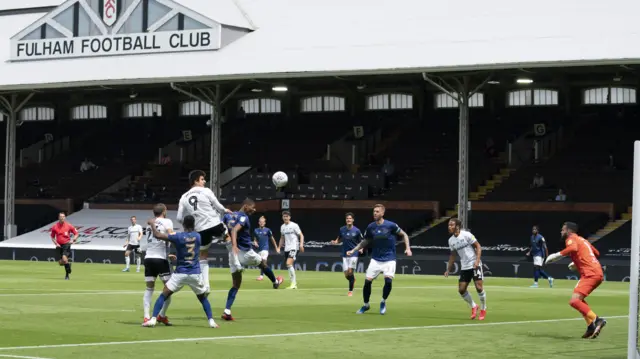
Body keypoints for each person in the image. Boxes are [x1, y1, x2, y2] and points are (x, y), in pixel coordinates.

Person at [143, 215, 219, 328]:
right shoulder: (198, 236)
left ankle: (153, 319)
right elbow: (189, 250)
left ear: (183, 225)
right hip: (195, 273)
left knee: (164, 294)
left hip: (180, 273)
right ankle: (211, 321)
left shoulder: (178, 236)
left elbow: (157, 235)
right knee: (203, 298)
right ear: (194, 225)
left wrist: (152, 224)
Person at [223, 199, 283, 321]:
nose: (254, 209)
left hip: (232, 254)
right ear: (245, 206)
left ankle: (227, 311)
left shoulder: (228, 216)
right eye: (252, 207)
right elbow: (234, 230)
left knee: (236, 284)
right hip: (245, 252)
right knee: (262, 263)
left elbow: (223, 229)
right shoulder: (244, 217)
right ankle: (275, 282)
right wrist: (234, 244)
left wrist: (230, 244)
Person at [545, 222, 606, 339]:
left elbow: (572, 248)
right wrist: (577, 261)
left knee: (574, 301)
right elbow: (596, 253)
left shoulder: (570, 238)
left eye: (563, 230)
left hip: (590, 274)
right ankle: (590, 326)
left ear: (569, 231)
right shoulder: (583, 240)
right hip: (595, 272)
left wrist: (556, 255)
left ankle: (597, 320)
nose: (561, 232)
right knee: (579, 300)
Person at [347, 204, 411, 315]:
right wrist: (354, 250)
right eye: (374, 211)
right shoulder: (371, 227)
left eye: (377, 211)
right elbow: (365, 241)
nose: (375, 213)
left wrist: (408, 248)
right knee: (367, 282)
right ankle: (366, 305)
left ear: (382, 213)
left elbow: (404, 234)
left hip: (389, 258)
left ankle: (383, 301)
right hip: (376, 259)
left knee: (388, 281)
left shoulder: (390, 225)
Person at [177, 170, 233, 294]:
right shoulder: (206, 191)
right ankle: (235, 265)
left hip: (199, 228)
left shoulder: (184, 196)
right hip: (213, 223)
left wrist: (188, 226)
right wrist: (225, 210)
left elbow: (179, 218)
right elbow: (217, 205)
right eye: (202, 179)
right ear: (196, 181)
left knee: (203, 256)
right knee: (228, 237)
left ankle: (206, 286)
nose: (204, 181)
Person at [444, 218, 487, 321]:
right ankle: (473, 306)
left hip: (474, 264)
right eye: (449, 225)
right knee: (461, 290)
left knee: (479, 287)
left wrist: (477, 261)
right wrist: (448, 269)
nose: (449, 227)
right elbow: (453, 255)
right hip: (465, 266)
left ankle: (483, 308)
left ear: (457, 226)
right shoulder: (451, 241)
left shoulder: (466, 235)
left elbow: (478, 246)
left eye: (451, 225)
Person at [141, 203, 174, 326]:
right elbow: (171, 236)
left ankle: (146, 316)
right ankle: (162, 315)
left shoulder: (149, 224)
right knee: (169, 289)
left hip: (149, 257)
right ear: (164, 211)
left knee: (149, 288)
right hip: (161, 259)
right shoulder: (167, 222)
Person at [331, 212, 363, 296]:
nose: (348, 220)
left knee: (350, 271)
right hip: (344, 254)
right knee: (346, 274)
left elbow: (361, 241)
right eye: (347, 218)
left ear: (353, 220)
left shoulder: (357, 230)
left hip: (354, 253)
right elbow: (339, 239)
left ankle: (350, 291)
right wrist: (335, 242)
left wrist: (361, 248)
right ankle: (353, 280)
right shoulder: (342, 229)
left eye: (350, 218)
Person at [279, 211, 305, 289]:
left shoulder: (294, 225)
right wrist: (278, 247)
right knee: (289, 265)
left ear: (289, 217)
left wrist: (301, 245)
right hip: (287, 248)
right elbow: (282, 238)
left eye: (287, 216)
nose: (285, 218)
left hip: (294, 247)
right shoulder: (282, 227)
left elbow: (301, 235)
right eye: (284, 216)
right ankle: (293, 284)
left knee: (288, 263)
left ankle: (293, 284)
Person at [49, 212, 78, 280]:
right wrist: (56, 243)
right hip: (59, 246)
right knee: (61, 262)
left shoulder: (69, 225)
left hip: (66, 244)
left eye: (63, 216)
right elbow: (52, 237)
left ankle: (67, 275)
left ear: (65, 217)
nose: (62, 218)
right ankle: (68, 266)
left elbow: (76, 233)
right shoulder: (54, 227)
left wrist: (73, 239)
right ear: (58, 217)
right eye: (61, 216)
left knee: (64, 258)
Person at [253, 216, 279, 281]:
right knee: (261, 264)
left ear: (265, 223)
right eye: (260, 222)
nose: (262, 223)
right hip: (259, 249)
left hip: (265, 249)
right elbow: (255, 239)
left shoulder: (267, 230)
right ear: (258, 223)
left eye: (263, 222)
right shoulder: (255, 230)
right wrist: (255, 242)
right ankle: (272, 276)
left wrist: (276, 247)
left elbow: (272, 239)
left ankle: (261, 276)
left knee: (263, 262)